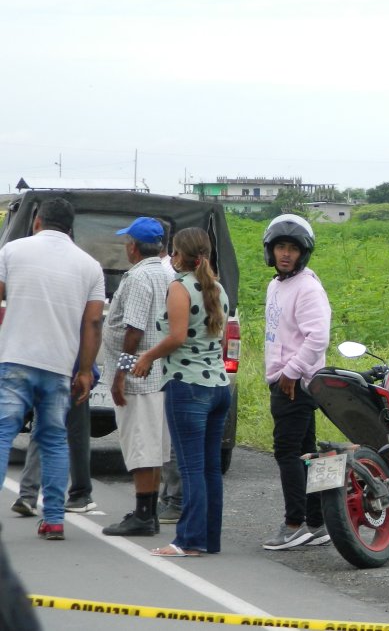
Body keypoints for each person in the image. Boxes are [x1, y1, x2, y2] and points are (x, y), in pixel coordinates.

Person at [0, 197, 104, 540]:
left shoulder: (12, 252)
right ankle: (55, 519)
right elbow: (92, 324)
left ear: (37, 222)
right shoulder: (89, 266)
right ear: (70, 228)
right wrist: (85, 371)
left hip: (15, 359)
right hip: (59, 366)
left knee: (2, 436)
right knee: (54, 440)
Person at [131, 227, 230, 557]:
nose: (170, 257)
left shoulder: (180, 287)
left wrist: (147, 357)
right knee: (210, 469)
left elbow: (176, 337)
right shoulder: (217, 288)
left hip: (187, 387)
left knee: (190, 468)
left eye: (173, 251)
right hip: (218, 387)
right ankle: (209, 539)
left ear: (180, 256)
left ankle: (188, 540)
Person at [260, 214, 332, 550]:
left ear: (303, 253)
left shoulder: (307, 287)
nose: (285, 254)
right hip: (285, 379)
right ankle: (317, 523)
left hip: (297, 382)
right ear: (270, 251)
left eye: (292, 248)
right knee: (304, 453)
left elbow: (318, 337)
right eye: (280, 247)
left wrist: (291, 372)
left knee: (287, 452)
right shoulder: (277, 285)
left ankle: (294, 522)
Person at [100, 217, 173, 536]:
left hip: (140, 376)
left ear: (133, 246)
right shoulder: (166, 272)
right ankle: (148, 509)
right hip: (159, 373)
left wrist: (120, 374)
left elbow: (135, 329)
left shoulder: (140, 277)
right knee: (153, 445)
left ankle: (144, 515)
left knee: (142, 445)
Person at [9, 359, 100, 518]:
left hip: (69, 370)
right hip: (50, 370)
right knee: (48, 432)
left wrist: (85, 370)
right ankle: (30, 497)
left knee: (66, 434)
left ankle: (79, 493)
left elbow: (88, 337)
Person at [155, 218, 183, 525]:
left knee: (170, 438)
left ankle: (173, 500)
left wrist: (145, 358)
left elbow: (174, 334)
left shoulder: (167, 278)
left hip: (172, 368)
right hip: (197, 375)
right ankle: (171, 497)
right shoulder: (211, 285)